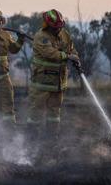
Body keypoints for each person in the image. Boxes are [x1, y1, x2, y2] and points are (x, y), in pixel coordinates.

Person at [26, 9, 79, 141]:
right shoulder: (41, 36)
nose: (58, 30)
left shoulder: (65, 35)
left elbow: (72, 49)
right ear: (47, 25)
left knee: (54, 113)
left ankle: (51, 139)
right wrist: (67, 56)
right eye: (55, 27)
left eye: (60, 27)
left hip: (58, 84)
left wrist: (76, 58)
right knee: (36, 112)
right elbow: (50, 53)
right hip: (42, 83)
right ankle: (32, 139)